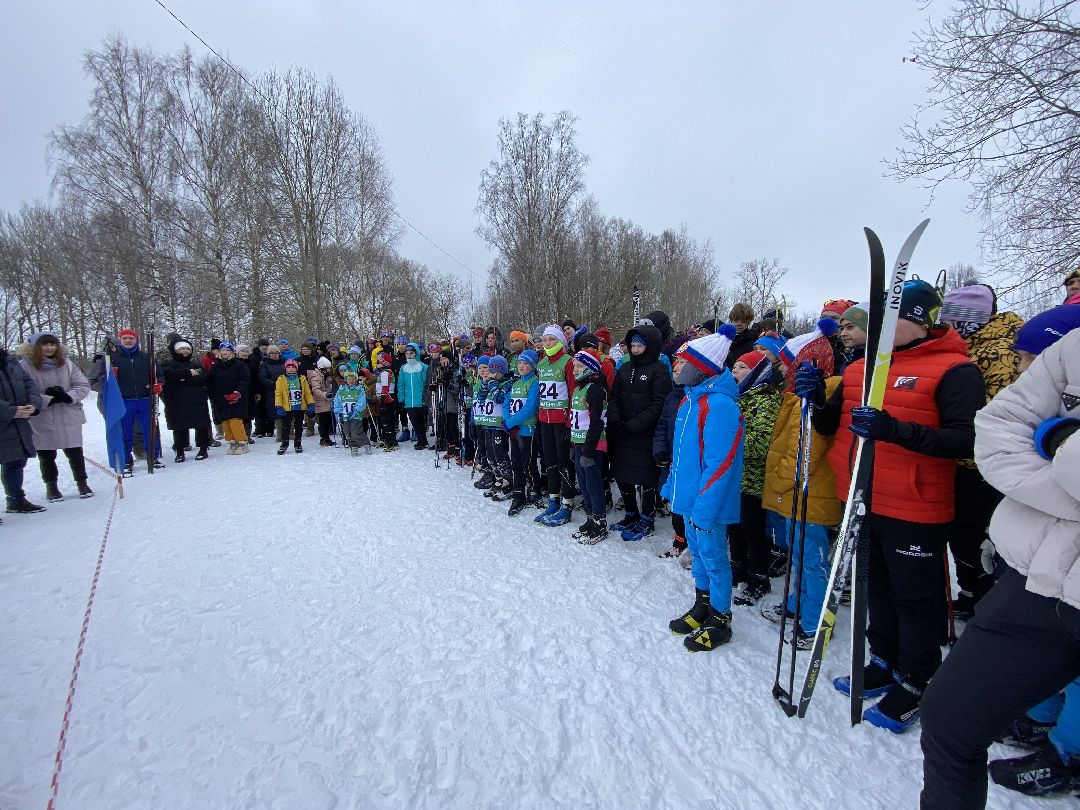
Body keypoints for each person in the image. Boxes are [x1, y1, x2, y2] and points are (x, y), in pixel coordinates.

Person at [808, 279, 986, 733]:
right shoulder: (859, 368)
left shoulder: (955, 370)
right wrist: (814, 398)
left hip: (915, 505)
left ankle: (918, 679)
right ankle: (883, 660)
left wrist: (896, 431)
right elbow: (832, 426)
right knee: (876, 588)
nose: (881, 329)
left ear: (920, 321)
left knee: (914, 598)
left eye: (892, 319)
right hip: (862, 497)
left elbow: (967, 440)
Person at [919, 324, 1080, 808]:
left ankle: (1065, 752)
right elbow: (995, 429)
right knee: (949, 716)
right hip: (1042, 577)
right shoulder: (1073, 346)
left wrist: (1059, 441)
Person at [939, 282, 1024, 618]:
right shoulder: (967, 347)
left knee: (975, 536)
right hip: (961, 459)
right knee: (961, 534)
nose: (947, 325)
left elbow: (998, 410)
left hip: (985, 464)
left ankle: (986, 602)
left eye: (952, 318)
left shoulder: (1000, 350)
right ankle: (971, 593)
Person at [761, 319, 842, 648]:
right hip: (796, 493)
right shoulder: (795, 396)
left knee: (812, 560)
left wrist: (779, 480)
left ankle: (815, 622)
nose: (781, 369)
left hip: (811, 492)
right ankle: (798, 603)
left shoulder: (818, 396)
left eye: (786, 363)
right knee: (798, 554)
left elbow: (804, 449)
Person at [662, 328, 744, 651]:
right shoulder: (690, 401)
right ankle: (703, 604)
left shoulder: (720, 406)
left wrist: (704, 509)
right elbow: (681, 455)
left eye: (683, 361)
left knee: (713, 558)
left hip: (707, 505)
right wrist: (673, 487)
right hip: (690, 501)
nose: (676, 366)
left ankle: (720, 618)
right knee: (697, 555)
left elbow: (720, 465)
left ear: (701, 367)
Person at [728, 350, 783, 605]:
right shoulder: (738, 397)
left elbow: (761, 442)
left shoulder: (767, 402)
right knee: (734, 525)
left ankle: (758, 577)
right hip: (734, 475)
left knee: (752, 528)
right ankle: (738, 569)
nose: (734, 371)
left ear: (756, 373)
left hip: (754, 477)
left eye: (741, 367)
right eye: (735, 366)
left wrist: (729, 444)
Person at [607, 324, 672, 540]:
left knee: (645, 478)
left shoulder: (659, 369)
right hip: (622, 431)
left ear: (650, 346)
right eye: (632, 346)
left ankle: (647, 518)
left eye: (640, 346)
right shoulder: (625, 368)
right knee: (622, 473)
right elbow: (614, 396)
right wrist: (615, 419)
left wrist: (633, 425)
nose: (635, 350)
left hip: (644, 433)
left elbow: (659, 404)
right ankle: (631, 513)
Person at [16, 332, 91, 501]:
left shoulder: (66, 363)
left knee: (75, 452)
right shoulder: (25, 366)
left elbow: (82, 385)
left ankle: (82, 483)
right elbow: (22, 391)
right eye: (45, 344)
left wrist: (67, 396)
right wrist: (46, 399)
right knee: (46, 454)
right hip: (42, 416)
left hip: (67, 413)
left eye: (52, 344)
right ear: (36, 347)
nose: (49, 348)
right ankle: (51, 486)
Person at [104, 328, 163, 475]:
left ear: (136, 340)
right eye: (124, 338)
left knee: (150, 429)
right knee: (125, 432)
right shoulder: (113, 358)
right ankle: (126, 460)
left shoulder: (147, 357)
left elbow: (159, 375)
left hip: (145, 398)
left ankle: (153, 457)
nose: (128, 341)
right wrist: (110, 377)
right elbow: (102, 379)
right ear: (120, 340)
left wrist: (158, 385)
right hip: (124, 400)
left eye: (131, 338)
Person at [535, 325, 577, 527]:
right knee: (549, 459)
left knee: (564, 461)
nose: (548, 343)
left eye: (552, 339)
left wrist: (570, 420)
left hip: (562, 420)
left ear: (561, 341)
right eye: (545, 340)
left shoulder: (568, 361)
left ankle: (567, 503)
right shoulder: (542, 363)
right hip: (545, 419)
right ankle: (554, 499)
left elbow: (573, 392)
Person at [566, 348, 609, 544]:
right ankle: (590, 518)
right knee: (583, 484)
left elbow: (597, 422)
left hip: (592, 446)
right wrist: (573, 443)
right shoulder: (578, 389)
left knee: (593, 485)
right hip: (579, 444)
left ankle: (599, 522)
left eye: (580, 366)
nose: (575, 369)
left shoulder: (594, 390)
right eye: (574, 366)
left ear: (591, 368)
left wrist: (589, 450)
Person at [0, 344, 44, 515]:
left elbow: (30, 385)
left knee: (15, 461)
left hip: (18, 422)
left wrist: (33, 405)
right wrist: (11, 411)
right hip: (10, 415)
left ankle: (15, 500)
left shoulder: (10, 361)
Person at [159, 337, 212, 462]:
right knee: (179, 426)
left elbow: (204, 378)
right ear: (175, 350)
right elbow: (169, 376)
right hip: (176, 400)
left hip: (197, 399)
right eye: (182, 348)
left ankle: (203, 448)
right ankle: (180, 450)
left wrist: (182, 379)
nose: (185, 351)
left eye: (187, 348)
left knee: (201, 425)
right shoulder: (167, 364)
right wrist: (188, 373)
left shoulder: (196, 364)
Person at [504, 349, 540, 516]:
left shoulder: (534, 383)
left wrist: (511, 422)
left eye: (525, 363)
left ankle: (534, 490)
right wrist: (508, 422)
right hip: (514, 431)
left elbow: (530, 408)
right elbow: (506, 403)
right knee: (516, 462)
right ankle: (518, 491)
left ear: (532, 365)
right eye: (519, 362)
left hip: (527, 430)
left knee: (528, 462)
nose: (521, 366)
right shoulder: (516, 384)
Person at [204, 341, 250, 456]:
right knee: (225, 421)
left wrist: (238, 392)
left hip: (236, 397)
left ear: (232, 352)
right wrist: (212, 394)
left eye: (227, 350)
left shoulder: (240, 365)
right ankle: (232, 442)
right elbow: (209, 382)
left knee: (235, 420)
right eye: (223, 350)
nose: (225, 352)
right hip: (221, 398)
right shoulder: (216, 367)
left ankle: (242, 442)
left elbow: (244, 380)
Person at [274, 358, 314, 455]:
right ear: (285, 369)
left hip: (299, 407)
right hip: (287, 407)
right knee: (286, 426)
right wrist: (278, 406)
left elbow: (307, 393)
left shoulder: (302, 379)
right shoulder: (281, 379)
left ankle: (298, 443)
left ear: (296, 368)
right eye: (289, 367)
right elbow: (278, 394)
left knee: (299, 426)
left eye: (293, 367)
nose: (291, 369)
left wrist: (311, 403)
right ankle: (284, 443)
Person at [396, 343, 429, 450]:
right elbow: (401, 385)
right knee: (414, 421)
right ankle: (421, 440)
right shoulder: (403, 368)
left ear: (416, 353)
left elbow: (427, 384)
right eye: (407, 353)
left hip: (421, 400)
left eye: (411, 353)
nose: (409, 355)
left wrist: (426, 398)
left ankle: (423, 440)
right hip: (409, 401)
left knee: (422, 421)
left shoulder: (423, 367)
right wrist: (401, 399)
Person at [333, 369, 371, 456]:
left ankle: (366, 443)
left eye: (353, 379)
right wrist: (338, 413)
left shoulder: (359, 389)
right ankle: (354, 446)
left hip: (356, 415)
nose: (351, 380)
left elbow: (361, 402)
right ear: (346, 379)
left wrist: (356, 411)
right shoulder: (341, 390)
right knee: (347, 432)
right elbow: (337, 402)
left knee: (355, 431)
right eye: (349, 379)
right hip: (345, 415)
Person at [307, 356, 336, 447]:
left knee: (327, 421)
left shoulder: (325, 376)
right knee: (323, 421)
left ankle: (326, 438)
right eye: (327, 368)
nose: (329, 370)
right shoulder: (316, 377)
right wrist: (325, 394)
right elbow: (316, 390)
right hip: (320, 402)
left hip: (326, 401)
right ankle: (324, 438)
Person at [372, 352, 398, 451]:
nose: (377, 364)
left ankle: (392, 443)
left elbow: (385, 388)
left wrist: (382, 400)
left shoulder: (385, 373)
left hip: (386, 400)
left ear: (384, 363)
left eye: (379, 362)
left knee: (386, 422)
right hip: (387, 399)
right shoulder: (386, 372)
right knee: (386, 421)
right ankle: (387, 440)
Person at [724, 303, 760, 369]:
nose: (739, 324)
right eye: (736, 320)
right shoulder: (724, 339)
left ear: (748, 322)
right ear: (731, 320)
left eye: (743, 321)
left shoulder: (753, 344)